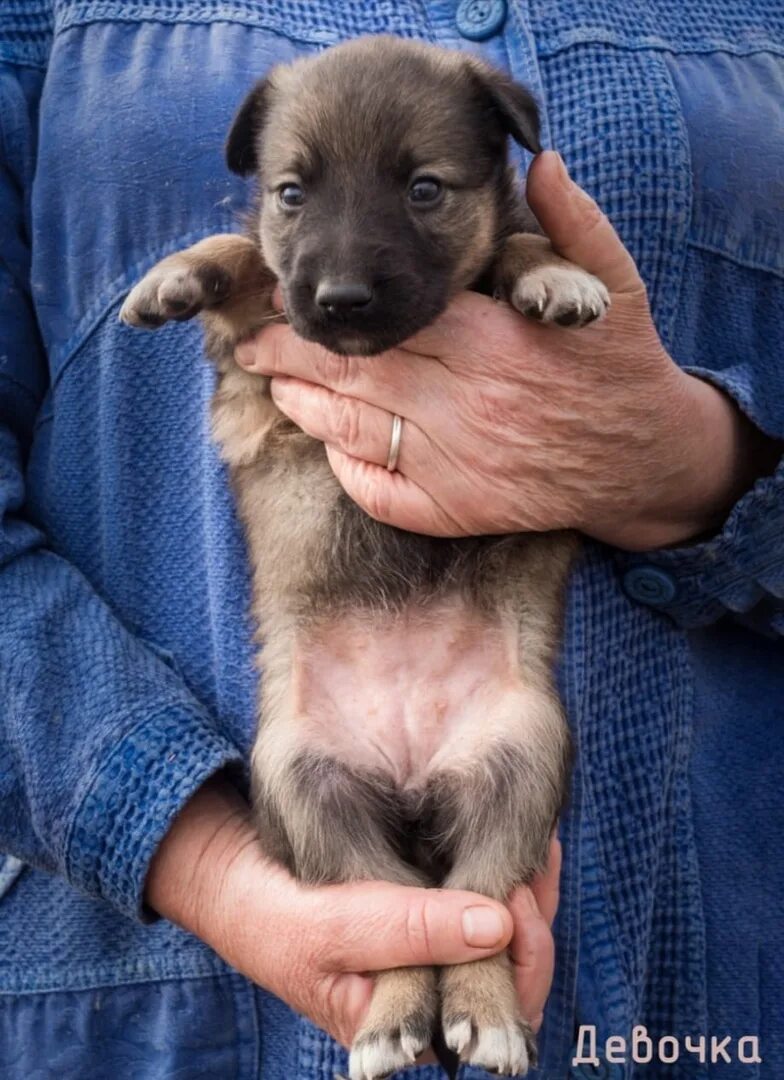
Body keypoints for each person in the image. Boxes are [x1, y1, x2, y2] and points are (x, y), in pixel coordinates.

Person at [1, 1, 782, 1077]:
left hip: (697, 965)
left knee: (516, 754)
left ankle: (472, 970)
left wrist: (694, 471)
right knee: (307, 773)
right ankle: (414, 986)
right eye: (291, 196)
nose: (346, 268)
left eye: (423, 194)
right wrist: (199, 858)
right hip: (182, 992)